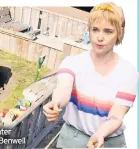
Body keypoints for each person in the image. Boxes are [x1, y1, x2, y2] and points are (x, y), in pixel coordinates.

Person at [43, 2, 137, 148]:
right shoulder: (72, 63)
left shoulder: (128, 72)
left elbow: (117, 114)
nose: (100, 37)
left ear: (119, 33)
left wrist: (100, 133)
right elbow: (63, 90)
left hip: (111, 143)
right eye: (95, 29)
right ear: (89, 31)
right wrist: (55, 104)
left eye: (108, 31)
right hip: (72, 140)